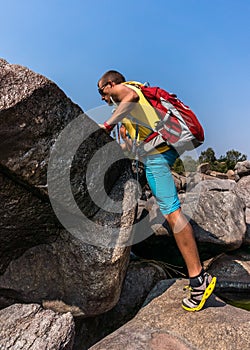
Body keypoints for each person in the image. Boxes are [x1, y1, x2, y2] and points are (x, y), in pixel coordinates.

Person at [97, 70, 216, 311]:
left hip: (157, 156)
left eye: (102, 91)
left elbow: (128, 96)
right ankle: (197, 276)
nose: (102, 98)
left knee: (172, 213)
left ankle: (199, 280)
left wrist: (108, 125)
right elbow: (129, 146)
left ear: (111, 84)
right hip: (165, 149)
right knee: (169, 209)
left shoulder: (125, 91)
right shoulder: (139, 95)